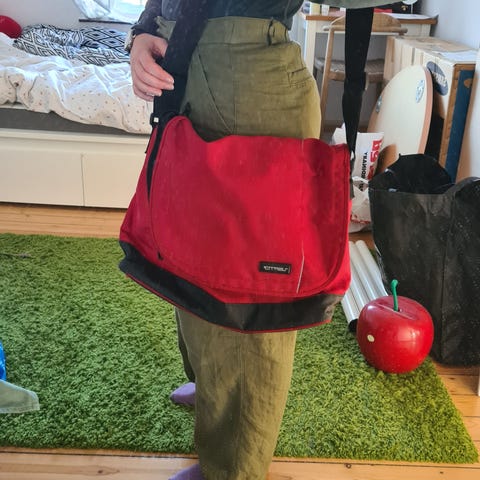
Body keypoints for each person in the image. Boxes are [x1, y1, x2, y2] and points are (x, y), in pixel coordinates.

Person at [126, 1, 390, 479]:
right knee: (189, 258)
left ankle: (233, 468)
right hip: (182, 65)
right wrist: (142, 33)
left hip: (250, 80)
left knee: (245, 296)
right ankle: (212, 387)